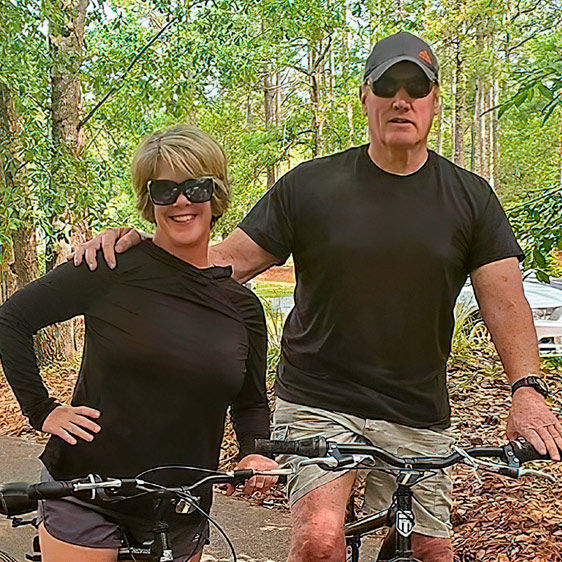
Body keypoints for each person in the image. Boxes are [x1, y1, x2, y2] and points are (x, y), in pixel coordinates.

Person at [71, 33, 562, 562]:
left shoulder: (470, 198)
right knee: (319, 541)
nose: (402, 99)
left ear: (435, 102)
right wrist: (145, 247)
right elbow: (225, 262)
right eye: (387, 86)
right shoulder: (311, 186)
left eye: (416, 88)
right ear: (365, 98)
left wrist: (527, 389)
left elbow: (505, 302)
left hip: (416, 407)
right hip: (319, 398)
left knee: (431, 550)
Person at [0, 124, 277, 562]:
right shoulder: (110, 266)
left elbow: (250, 403)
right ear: (150, 201)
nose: (181, 201)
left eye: (195, 186)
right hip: (87, 491)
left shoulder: (242, 308)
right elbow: (11, 320)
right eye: (165, 190)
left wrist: (254, 453)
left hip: (181, 508)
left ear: (216, 194)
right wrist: (42, 410)